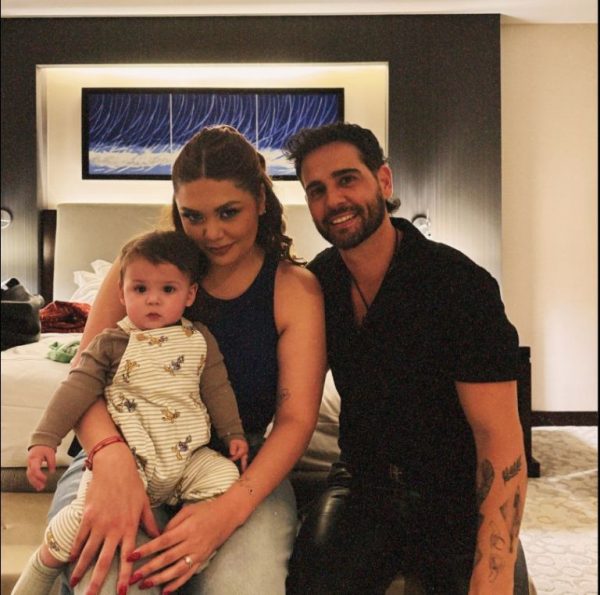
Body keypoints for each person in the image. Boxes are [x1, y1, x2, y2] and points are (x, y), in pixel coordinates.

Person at [46, 125, 326, 595]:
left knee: (243, 585)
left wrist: (229, 510)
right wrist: (109, 455)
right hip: (123, 452)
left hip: (235, 467)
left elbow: (296, 420)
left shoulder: (294, 290)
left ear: (260, 199)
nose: (211, 233)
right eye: (192, 216)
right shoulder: (137, 269)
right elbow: (83, 379)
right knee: (112, 580)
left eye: (228, 212)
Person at [283, 122, 529, 595]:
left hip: (455, 493)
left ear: (383, 180)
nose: (333, 200)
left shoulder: (460, 285)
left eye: (347, 179)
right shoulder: (319, 285)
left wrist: (495, 568)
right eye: (317, 190)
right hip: (362, 485)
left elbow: (498, 436)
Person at [13, 230, 249, 595]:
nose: (153, 299)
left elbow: (217, 388)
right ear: (121, 294)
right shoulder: (111, 343)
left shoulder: (199, 339)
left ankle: (181, 555)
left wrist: (233, 432)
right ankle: (41, 567)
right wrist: (45, 438)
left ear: (189, 295)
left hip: (186, 458)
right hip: (127, 463)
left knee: (225, 480)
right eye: (140, 289)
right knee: (81, 523)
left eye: (167, 290)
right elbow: (75, 390)